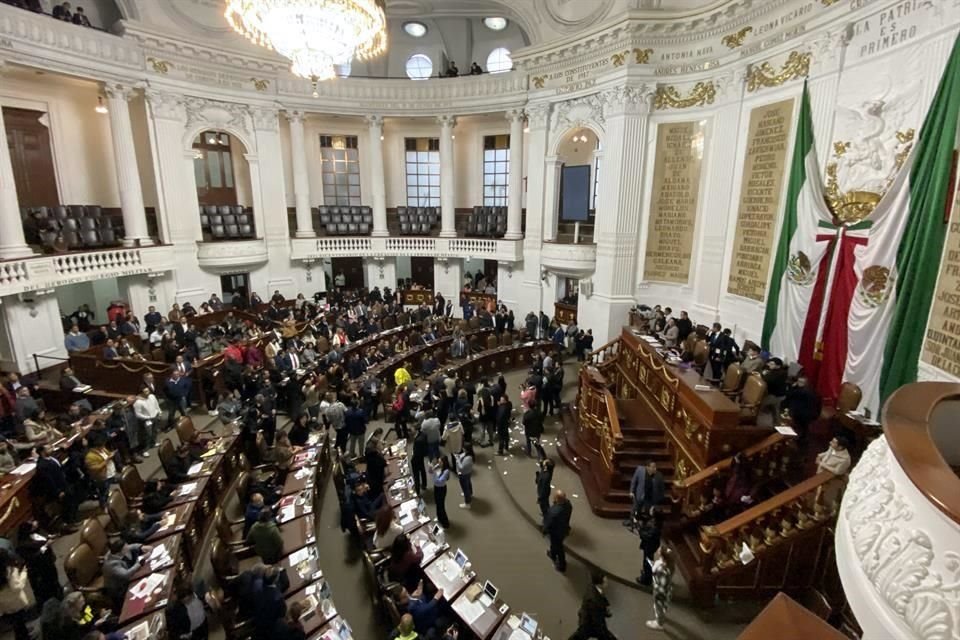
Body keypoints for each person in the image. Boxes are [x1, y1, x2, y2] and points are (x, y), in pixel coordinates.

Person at [569, 572, 617, 640]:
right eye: (605, 581)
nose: (607, 582)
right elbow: (597, 620)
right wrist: (604, 631)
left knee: (579, 636)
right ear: (600, 583)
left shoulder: (593, 587)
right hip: (590, 623)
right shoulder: (594, 601)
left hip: (587, 619)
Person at [102, 538, 148, 609]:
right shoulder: (112, 564)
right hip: (120, 591)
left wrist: (141, 546)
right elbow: (126, 574)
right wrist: (139, 562)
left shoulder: (114, 552)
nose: (128, 548)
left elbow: (130, 547)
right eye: (125, 548)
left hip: (126, 582)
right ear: (120, 552)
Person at [0, 549, 34, 640]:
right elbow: (17, 587)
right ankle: (24, 636)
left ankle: (24, 633)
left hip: (4, 606)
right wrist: (24, 573)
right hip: (14, 604)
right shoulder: (9, 571)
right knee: (19, 624)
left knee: (16, 624)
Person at [646, 546, 675, 631]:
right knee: (663, 605)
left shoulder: (662, 569)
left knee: (658, 606)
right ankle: (662, 615)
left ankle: (659, 623)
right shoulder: (670, 564)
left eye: (659, 550)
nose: (657, 550)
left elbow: (661, 583)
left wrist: (654, 569)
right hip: (667, 590)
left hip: (660, 592)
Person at [543, 489, 572, 572]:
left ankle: (562, 565)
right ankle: (552, 553)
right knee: (555, 545)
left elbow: (548, 523)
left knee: (559, 547)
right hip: (564, 529)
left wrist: (544, 530)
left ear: (557, 499)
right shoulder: (568, 505)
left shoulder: (553, 511)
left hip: (556, 532)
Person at [635, 511, 662, 588]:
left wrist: (639, 529)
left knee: (647, 562)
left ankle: (646, 579)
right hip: (651, 545)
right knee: (648, 560)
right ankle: (647, 573)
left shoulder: (655, 528)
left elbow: (646, 536)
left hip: (650, 546)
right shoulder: (656, 523)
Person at [432, 456, 451, 528]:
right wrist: (433, 468)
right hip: (436, 488)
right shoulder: (439, 466)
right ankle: (439, 518)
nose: (438, 463)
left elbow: (438, 482)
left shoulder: (446, 471)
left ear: (444, 463)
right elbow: (431, 470)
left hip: (441, 489)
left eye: (440, 462)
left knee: (441, 506)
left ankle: (446, 523)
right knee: (437, 503)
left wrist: (433, 473)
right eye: (438, 461)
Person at [455, 443, 473, 509]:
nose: (462, 449)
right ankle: (470, 493)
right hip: (467, 473)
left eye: (463, 448)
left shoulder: (468, 458)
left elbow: (461, 467)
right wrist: (458, 456)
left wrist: (457, 460)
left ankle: (467, 503)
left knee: (465, 488)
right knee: (468, 484)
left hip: (464, 474)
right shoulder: (467, 454)